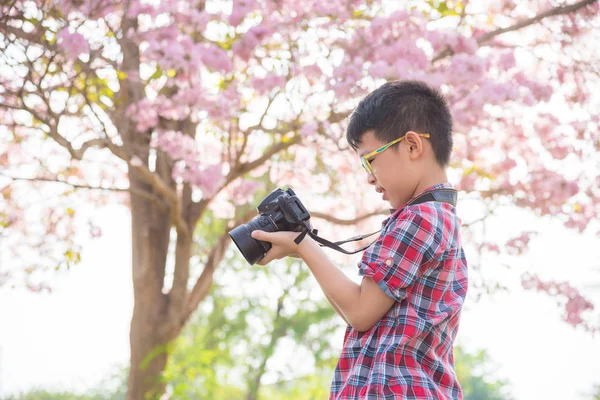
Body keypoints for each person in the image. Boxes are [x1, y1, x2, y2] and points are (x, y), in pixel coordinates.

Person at [251, 80, 468, 399]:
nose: (368, 176)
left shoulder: (420, 218)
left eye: (370, 159)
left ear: (411, 146)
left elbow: (360, 311)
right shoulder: (434, 218)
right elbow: (361, 315)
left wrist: (302, 244)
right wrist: (303, 247)